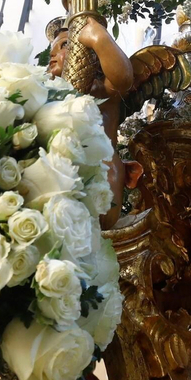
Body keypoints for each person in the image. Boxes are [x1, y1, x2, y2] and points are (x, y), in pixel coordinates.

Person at [47, 15, 135, 228]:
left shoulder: (101, 89)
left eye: (65, 45)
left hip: (101, 166)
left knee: (100, 218)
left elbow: (123, 77)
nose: (53, 55)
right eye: (52, 51)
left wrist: (98, 37)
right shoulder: (47, 94)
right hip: (58, 163)